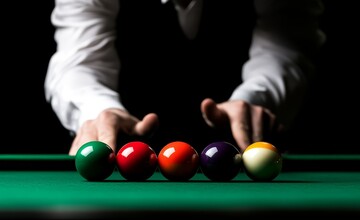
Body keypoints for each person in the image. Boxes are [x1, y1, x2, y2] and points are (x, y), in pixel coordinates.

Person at [45, 0, 326, 156]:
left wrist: (254, 97)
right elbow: (78, 60)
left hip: (245, 154)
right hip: (122, 154)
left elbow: (289, 44)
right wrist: (99, 110)